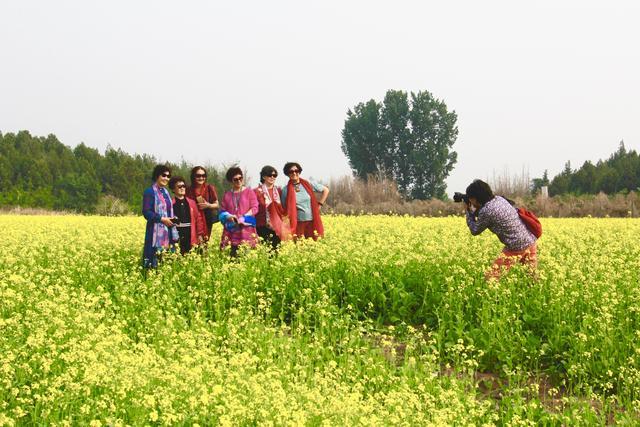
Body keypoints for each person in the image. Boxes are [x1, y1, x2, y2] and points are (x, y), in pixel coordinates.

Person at [464, 179, 538, 280]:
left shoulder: (486, 211)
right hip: (530, 241)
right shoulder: (499, 199)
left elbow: (475, 230)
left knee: (491, 278)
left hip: (516, 246)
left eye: (471, 198)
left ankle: (492, 294)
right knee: (532, 279)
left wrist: (468, 211)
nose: (470, 201)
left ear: (476, 198)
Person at [280, 162, 329, 241]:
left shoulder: (308, 184)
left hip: (312, 221)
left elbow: (326, 190)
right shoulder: (285, 190)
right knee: (300, 246)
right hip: (298, 223)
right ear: (287, 174)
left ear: (299, 171)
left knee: (313, 244)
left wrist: (320, 204)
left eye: (296, 170)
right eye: (291, 172)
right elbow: (284, 209)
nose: (294, 173)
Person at [142, 164, 179, 269]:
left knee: (166, 262)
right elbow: (146, 212)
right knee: (153, 262)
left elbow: (168, 211)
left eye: (168, 176)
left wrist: (172, 219)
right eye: (164, 175)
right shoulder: (149, 192)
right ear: (157, 175)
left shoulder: (166, 193)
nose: (166, 178)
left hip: (168, 231)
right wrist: (162, 219)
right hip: (154, 232)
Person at [218, 167, 259, 257]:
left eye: (240, 178)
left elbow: (255, 208)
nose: (239, 181)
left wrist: (243, 217)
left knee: (247, 257)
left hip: (246, 229)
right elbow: (222, 212)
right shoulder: (227, 195)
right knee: (232, 256)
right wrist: (228, 216)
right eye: (235, 179)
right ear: (231, 181)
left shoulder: (249, 192)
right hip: (231, 230)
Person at [254, 165, 290, 251]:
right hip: (262, 226)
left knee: (276, 252)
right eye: (270, 175)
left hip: (277, 227)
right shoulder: (256, 191)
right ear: (263, 176)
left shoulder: (279, 191)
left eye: (274, 175)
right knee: (264, 252)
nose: (272, 177)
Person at [169, 176, 206, 255]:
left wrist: (200, 235)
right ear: (173, 189)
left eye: (184, 186)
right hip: (177, 234)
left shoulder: (192, 203)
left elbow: (198, 219)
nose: (182, 188)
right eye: (179, 187)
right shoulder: (170, 204)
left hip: (190, 233)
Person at [186, 166, 219, 241]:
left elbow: (217, 204)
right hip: (193, 221)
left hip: (207, 221)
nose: (201, 178)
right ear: (193, 177)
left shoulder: (209, 188)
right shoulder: (188, 190)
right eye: (198, 176)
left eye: (203, 176)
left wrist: (208, 205)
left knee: (205, 244)